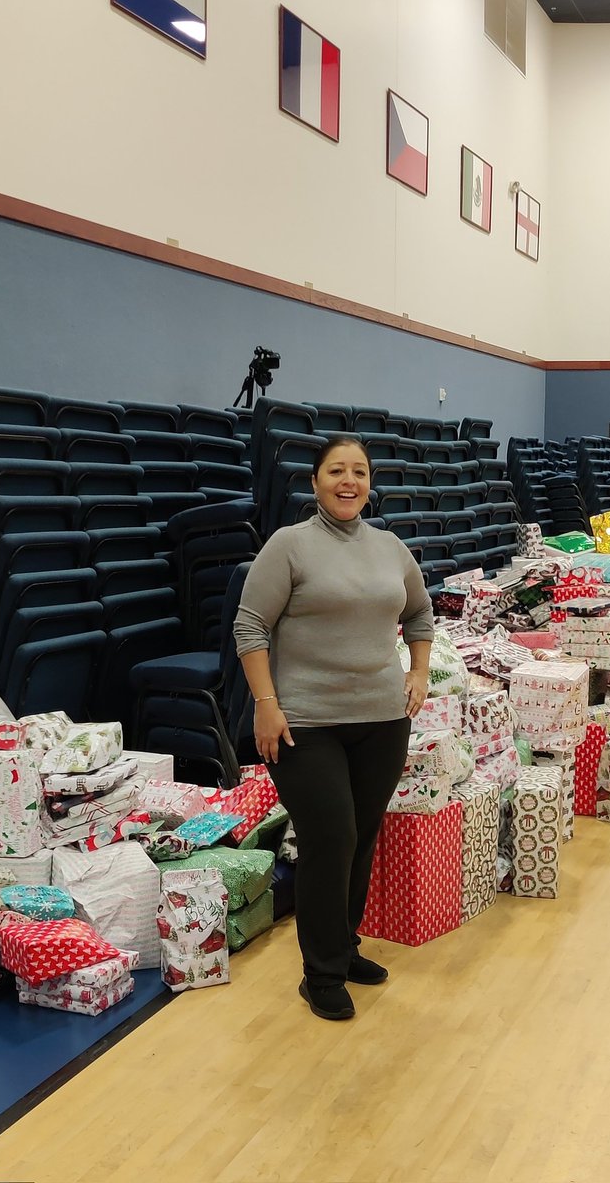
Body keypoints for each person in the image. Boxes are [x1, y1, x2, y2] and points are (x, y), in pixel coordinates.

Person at [233, 435, 434, 1021]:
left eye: (360, 472)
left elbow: (420, 612)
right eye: (336, 471)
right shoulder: (289, 545)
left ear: (370, 484)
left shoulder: (391, 547)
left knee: (361, 836)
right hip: (304, 724)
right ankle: (319, 974)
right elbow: (250, 627)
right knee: (331, 839)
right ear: (315, 481)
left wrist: (419, 670)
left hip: (382, 721)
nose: (349, 482)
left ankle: (343, 949)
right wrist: (265, 703)